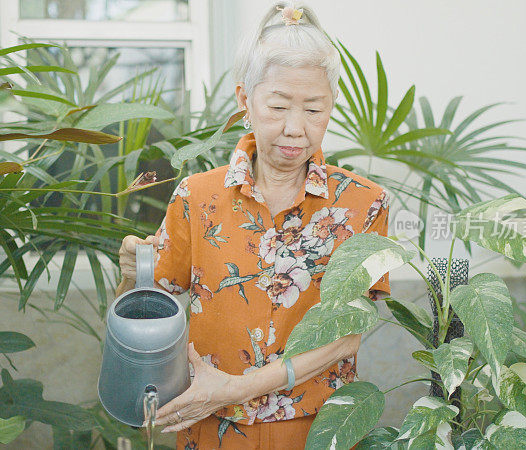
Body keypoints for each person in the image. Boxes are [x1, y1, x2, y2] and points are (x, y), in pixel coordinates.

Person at [117, 3, 390, 448]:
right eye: (277, 106)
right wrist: (132, 275)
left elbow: (348, 337)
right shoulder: (196, 196)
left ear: (331, 104)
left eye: (315, 110)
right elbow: (145, 320)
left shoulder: (363, 204)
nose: (295, 129)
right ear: (245, 99)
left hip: (320, 430)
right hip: (210, 428)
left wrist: (234, 389)